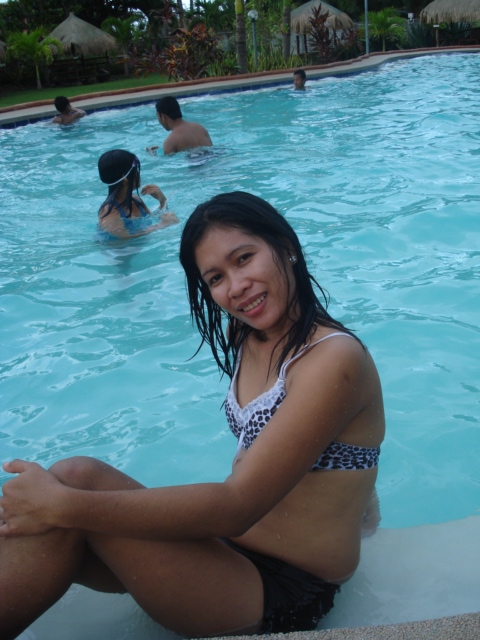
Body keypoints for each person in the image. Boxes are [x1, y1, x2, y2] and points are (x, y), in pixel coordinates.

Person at [0, 191, 385, 640]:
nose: (235, 287)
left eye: (244, 258)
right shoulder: (250, 334)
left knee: (66, 496)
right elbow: (320, 448)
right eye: (216, 278)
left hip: (284, 589)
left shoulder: (333, 359)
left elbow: (238, 506)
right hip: (227, 550)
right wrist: (362, 503)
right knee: (69, 483)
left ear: (285, 247)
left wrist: (63, 506)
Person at [97, 149, 178, 239]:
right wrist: (161, 225)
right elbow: (123, 239)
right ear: (125, 179)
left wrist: (162, 201)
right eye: (135, 170)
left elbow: (155, 218)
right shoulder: (109, 212)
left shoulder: (136, 200)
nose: (138, 174)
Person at [146, 96, 213, 156]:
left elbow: (168, 164)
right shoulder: (200, 128)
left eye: (157, 116)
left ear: (163, 116)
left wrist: (153, 155)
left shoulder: (170, 141)